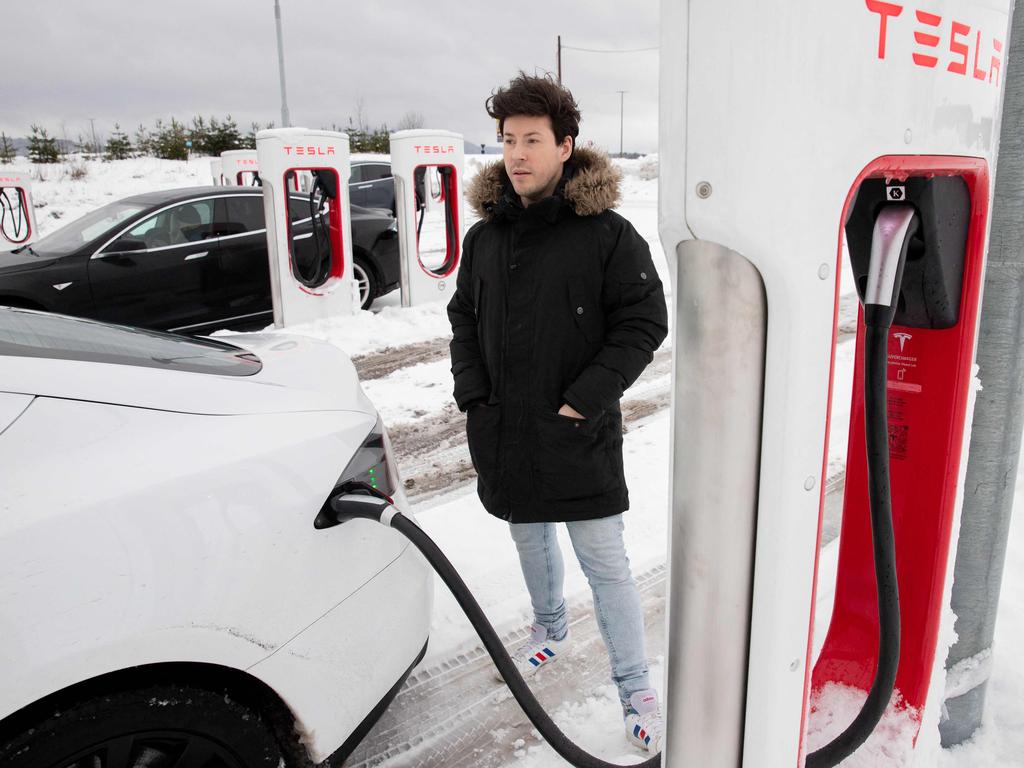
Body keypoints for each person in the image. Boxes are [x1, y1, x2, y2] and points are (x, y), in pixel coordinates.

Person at [447, 72, 669, 755]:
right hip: (506, 430)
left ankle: (634, 685)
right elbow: (462, 318)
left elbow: (643, 321)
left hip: (577, 432)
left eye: (533, 140)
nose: (518, 154)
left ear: (566, 145)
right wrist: (474, 396)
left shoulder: (606, 235)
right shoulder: (486, 239)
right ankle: (549, 626)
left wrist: (583, 400)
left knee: (603, 561)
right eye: (508, 140)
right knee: (527, 533)